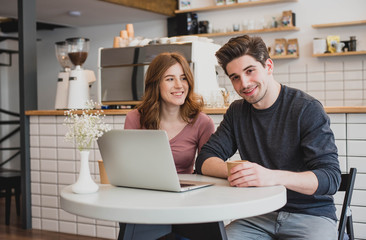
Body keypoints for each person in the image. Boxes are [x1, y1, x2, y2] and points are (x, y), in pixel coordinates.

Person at [195, 35, 341, 239]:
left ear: (269, 66)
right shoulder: (237, 112)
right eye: (235, 77)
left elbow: (330, 178)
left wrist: (269, 176)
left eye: (250, 71)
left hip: (311, 216)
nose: (244, 83)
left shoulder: (306, 109)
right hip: (257, 214)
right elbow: (205, 159)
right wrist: (244, 173)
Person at [125, 52, 215, 174]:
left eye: (183, 78)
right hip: (145, 190)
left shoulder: (203, 123)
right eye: (170, 79)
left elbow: (206, 168)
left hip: (186, 191)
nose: (179, 85)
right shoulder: (134, 118)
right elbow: (128, 166)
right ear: (156, 84)